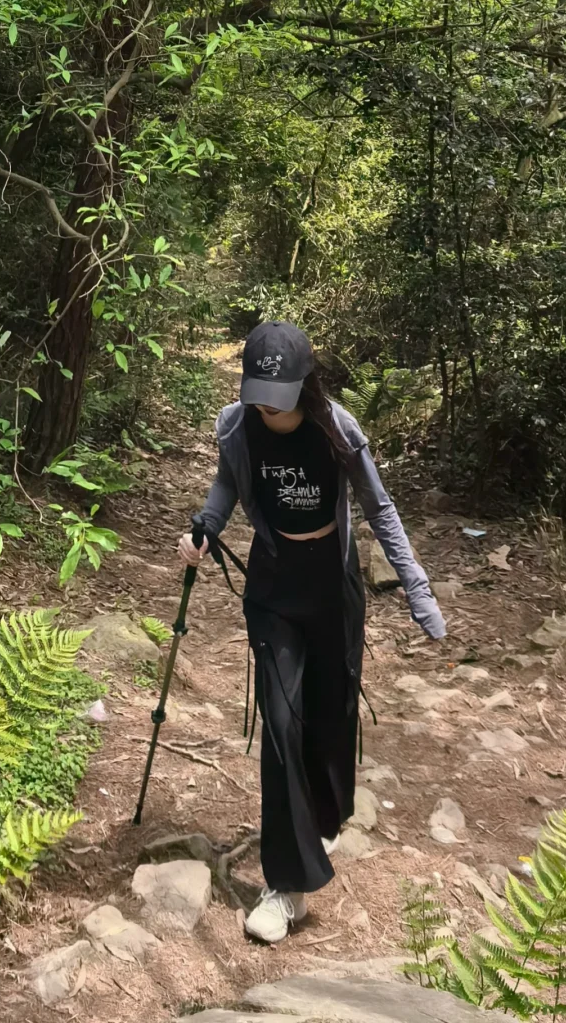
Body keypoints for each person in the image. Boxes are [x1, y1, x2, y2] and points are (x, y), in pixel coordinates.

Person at [177, 321, 446, 944]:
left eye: (280, 391)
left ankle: (322, 818)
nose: (268, 404)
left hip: (333, 586)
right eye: (259, 391)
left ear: (305, 383)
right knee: (281, 720)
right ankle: (288, 885)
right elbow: (226, 485)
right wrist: (206, 526)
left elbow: (379, 509)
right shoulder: (236, 426)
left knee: (330, 712)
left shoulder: (337, 429)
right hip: (273, 588)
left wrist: (417, 590)